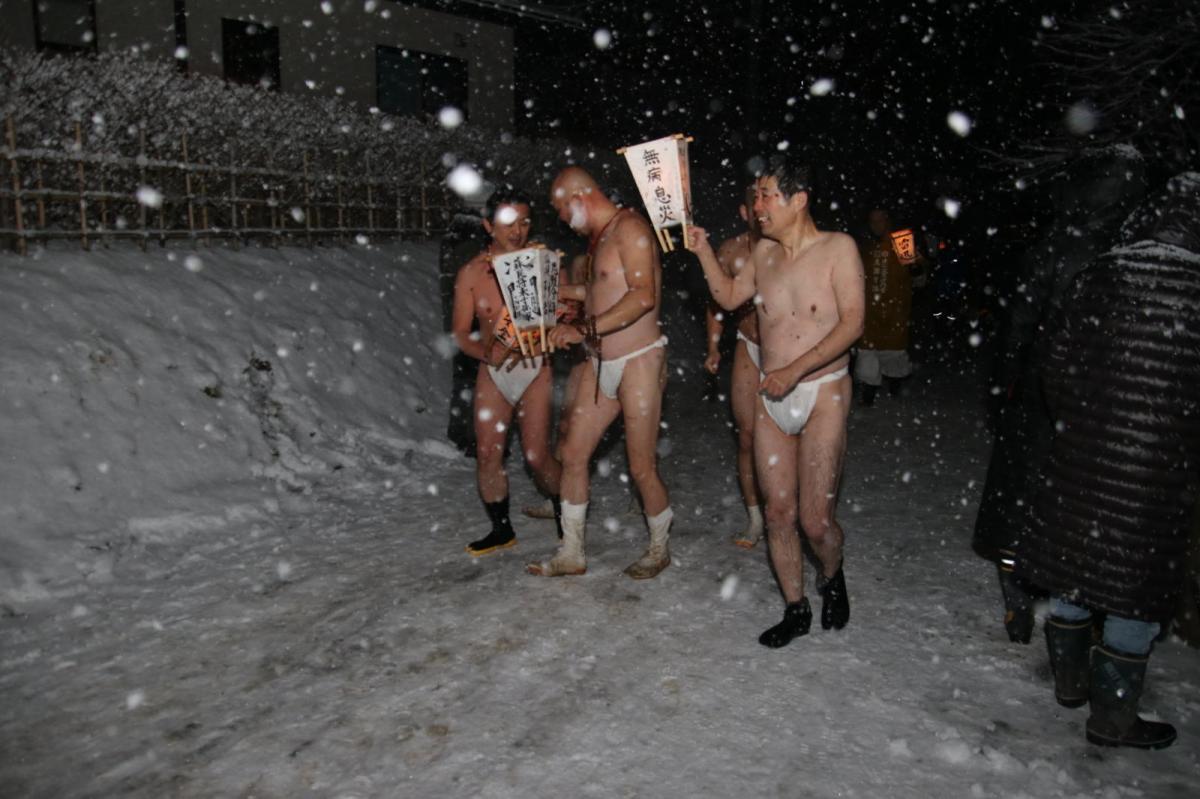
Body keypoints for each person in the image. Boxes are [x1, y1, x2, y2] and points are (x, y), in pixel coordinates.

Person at [1020, 172, 1200, 750]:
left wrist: (1081, 421)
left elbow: (1055, 362)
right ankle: (1113, 718)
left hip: (1083, 454)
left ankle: (1071, 681)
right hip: (1158, 469)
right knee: (1134, 587)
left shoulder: (1101, 273)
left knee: (1076, 565)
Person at [688, 157, 865, 647]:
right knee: (778, 513)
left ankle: (832, 573)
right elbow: (728, 297)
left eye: (768, 195)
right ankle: (795, 608)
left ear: (799, 199)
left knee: (816, 522)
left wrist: (796, 369)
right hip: (772, 394)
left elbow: (853, 324)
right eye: (757, 195)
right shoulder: (763, 253)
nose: (758, 205)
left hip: (823, 391)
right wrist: (702, 251)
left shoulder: (838, 249)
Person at [973, 148, 1147, 643]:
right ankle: (1071, 610)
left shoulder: (1062, 244)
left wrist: (1003, 386)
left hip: (1044, 393)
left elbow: (1020, 323)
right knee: (1079, 508)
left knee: (1022, 505)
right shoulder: (1130, 247)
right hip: (1099, 401)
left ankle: (1022, 602)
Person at [526, 166, 673, 580]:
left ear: (580, 197)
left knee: (641, 466)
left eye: (560, 207)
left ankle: (659, 547)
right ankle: (572, 552)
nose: (561, 217)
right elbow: (601, 291)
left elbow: (643, 296)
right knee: (573, 454)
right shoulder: (601, 238)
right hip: (600, 361)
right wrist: (559, 293)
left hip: (639, 360)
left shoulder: (631, 229)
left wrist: (582, 329)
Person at [451, 191, 562, 556]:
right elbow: (460, 334)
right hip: (494, 369)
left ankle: (566, 509)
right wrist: (488, 352)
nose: (518, 231)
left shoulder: (542, 263)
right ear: (488, 226)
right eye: (508, 223)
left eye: (525, 222)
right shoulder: (471, 273)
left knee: (536, 456)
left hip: (535, 366)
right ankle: (501, 529)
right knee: (487, 453)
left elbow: (569, 312)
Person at [703, 185, 765, 548]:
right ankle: (755, 518)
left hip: (790, 352)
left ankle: (786, 510)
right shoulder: (731, 250)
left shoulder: (790, 249)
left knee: (789, 438)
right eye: (756, 203)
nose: (762, 209)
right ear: (745, 212)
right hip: (749, 344)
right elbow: (717, 302)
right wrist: (713, 346)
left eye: (769, 199)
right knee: (746, 437)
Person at [854, 208, 915, 406]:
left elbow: (917, 271)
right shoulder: (866, 245)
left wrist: (916, 268)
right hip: (870, 310)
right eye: (873, 221)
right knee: (867, 351)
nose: (876, 225)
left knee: (894, 351)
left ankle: (896, 389)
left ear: (887, 220)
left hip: (895, 308)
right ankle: (868, 395)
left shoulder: (902, 240)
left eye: (880, 220)